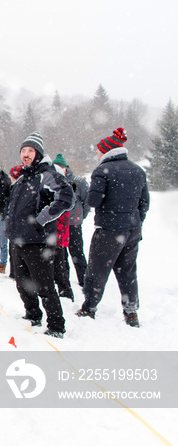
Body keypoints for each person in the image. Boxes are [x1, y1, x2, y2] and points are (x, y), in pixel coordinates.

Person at [76, 128, 150, 327]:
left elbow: (93, 201)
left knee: (97, 271)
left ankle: (89, 308)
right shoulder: (138, 170)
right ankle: (131, 312)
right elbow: (144, 203)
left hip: (108, 230)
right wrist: (134, 221)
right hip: (132, 231)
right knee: (127, 271)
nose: (97, 154)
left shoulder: (102, 170)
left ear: (107, 151)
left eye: (99, 151)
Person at [6, 131, 74, 338]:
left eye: (30, 151)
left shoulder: (48, 174)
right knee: (22, 282)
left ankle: (56, 325)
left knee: (44, 285)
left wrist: (42, 219)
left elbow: (66, 197)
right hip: (17, 240)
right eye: (23, 151)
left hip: (38, 241)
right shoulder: (21, 178)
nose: (26, 154)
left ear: (38, 153)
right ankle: (33, 314)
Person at [53, 154, 91, 287]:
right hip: (58, 225)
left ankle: (84, 281)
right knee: (61, 256)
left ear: (65, 168)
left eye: (60, 167)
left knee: (77, 253)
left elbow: (87, 202)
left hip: (73, 224)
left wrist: (80, 216)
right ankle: (64, 281)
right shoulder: (53, 182)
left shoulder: (78, 182)